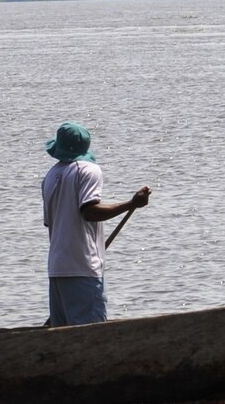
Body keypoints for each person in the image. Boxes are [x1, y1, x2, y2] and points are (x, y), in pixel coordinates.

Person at [42, 121, 151, 326]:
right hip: (82, 267)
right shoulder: (89, 170)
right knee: (91, 335)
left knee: (63, 338)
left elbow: (52, 223)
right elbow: (90, 211)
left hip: (57, 269)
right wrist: (131, 203)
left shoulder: (50, 176)